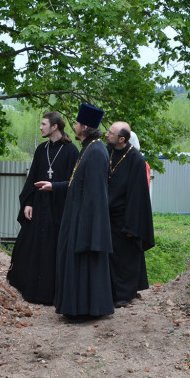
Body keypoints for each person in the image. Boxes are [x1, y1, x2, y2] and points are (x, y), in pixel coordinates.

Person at [35, 103, 114, 322]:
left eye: (77, 123)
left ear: (85, 127)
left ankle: (84, 310)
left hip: (85, 222)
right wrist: (54, 186)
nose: (75, 126)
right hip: (78, 219)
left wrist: (86, 227)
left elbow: (95, 194)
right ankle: (77, 309)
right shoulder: (89, 148)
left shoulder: (95, 151)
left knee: (83, 266)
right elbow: (76, 184)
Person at [6, 112, 79, 304]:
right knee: (30, 245)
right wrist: (28, 202)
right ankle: (31, 290)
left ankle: (53, 295)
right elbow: (32, 177)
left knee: (53, 249)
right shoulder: (41, 149)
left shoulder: (71, 151)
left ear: (55, 127)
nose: (40, 127)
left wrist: (54, 187)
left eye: (44, 124)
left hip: (59, 209)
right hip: (39, 206)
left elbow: (75, 183)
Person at [105, 121, 155, 307]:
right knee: (110, 257)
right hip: (108, 215)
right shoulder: (108, 152)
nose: (106, 134)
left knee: (125, 258)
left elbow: (137, 195)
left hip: (126, 217)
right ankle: (111, 292)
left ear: (122, 139)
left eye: (110, 133)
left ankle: (124, 294)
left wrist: (131, 225)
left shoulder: (135, 159)